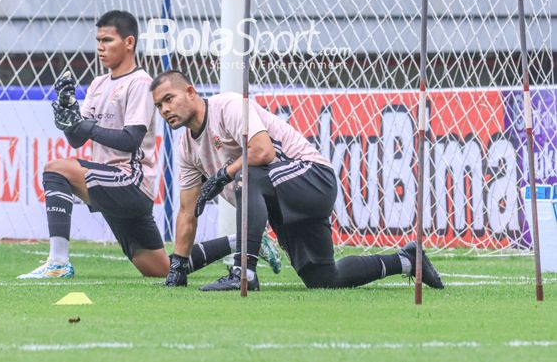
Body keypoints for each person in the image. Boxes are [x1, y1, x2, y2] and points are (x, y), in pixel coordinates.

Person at [17, 10, 278, 283]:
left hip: (130, 180)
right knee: (161, 269)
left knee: (55, 169)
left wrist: (83, 126)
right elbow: (77, 140)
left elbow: (130, 140)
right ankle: (245, 241)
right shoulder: (97, 84)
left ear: (129, 43)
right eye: (98, 41)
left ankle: (58, 262)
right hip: (107, 180)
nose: (100, 48)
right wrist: (69, 114)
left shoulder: (140, 83)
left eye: (107, 40)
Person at [150, 70, 445, 291]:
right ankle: (408, 260)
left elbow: (263, 152)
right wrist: (177, 265)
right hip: (281, 200)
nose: (165, 110)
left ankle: (244, 272)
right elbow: (187, 211)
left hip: (312, 177)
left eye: (169, 99)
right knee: (323, 279)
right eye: (159, 106)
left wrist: (221, 176)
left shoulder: (226, 106)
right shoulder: (186, 148)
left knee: (245, 175)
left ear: (190, 92)